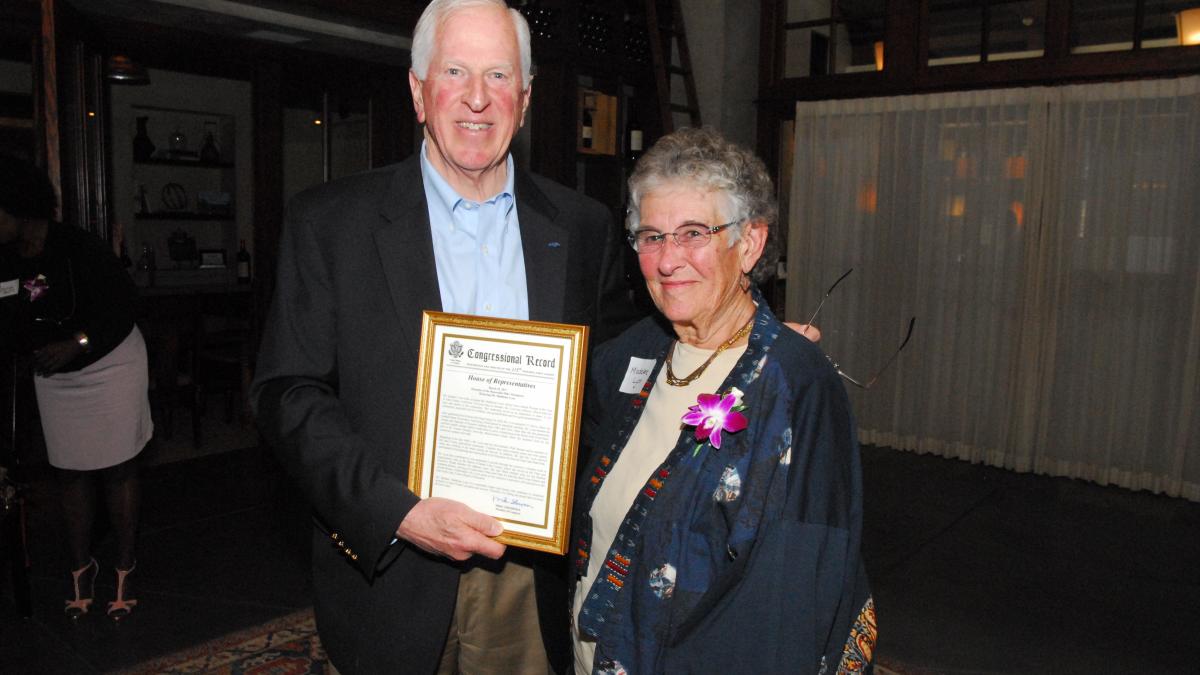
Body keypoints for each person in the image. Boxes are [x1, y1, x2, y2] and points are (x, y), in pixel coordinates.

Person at [250, 1, 637, 672]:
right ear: (419, 90)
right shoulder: (331, 223)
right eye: (455, 71)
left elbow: (616, 369)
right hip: (390, 565)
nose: (478, 99)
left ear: (525, 95)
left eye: (499, 75)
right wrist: (394, 511)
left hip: (528, 578)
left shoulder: (582, 226)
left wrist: (738, 344)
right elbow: (287, 392)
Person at [570, 127, 876, 674]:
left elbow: (788, 610)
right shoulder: (628, 356)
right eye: (651, 236)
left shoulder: (795, 387)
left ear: (750, 244)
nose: (668, 260)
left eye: (693, 233)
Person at [0, 155, 151, 621]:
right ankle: (80, 567)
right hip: (56, 376)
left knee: (118, 469)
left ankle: (124, 568)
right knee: (69, 472)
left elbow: (122, 307)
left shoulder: (77, 247)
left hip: (111, 362)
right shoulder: (3, 260)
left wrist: (77, 342)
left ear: (20, 207)